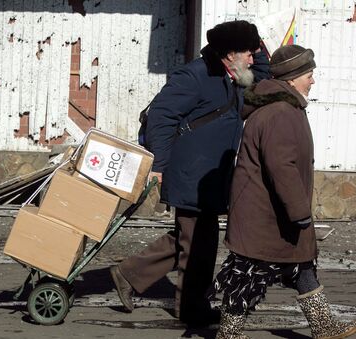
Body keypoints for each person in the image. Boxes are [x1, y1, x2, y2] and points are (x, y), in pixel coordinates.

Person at [109, 20, 270, 326]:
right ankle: (191, 308)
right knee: (198, 244)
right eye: (248, 52)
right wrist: (158, 167)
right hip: (190, 174)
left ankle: (128, 274)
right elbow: (161, 117)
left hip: (209, 176)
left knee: (193, 237)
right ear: (229, 54)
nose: (252, 58)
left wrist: (258, 44)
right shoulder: (195, 75)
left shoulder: (234, 74)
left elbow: (261, 75)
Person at [208, 45, 356, 339]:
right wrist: (300, 211)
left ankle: (323, 325)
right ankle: (228, 334)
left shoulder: (284, 107)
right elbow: (282, 167)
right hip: (265, 217)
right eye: (309, 74)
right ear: (292, 79)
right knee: (246, 276)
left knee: (302, 266)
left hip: (274, 214)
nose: (312, 80)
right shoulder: (279, 112)